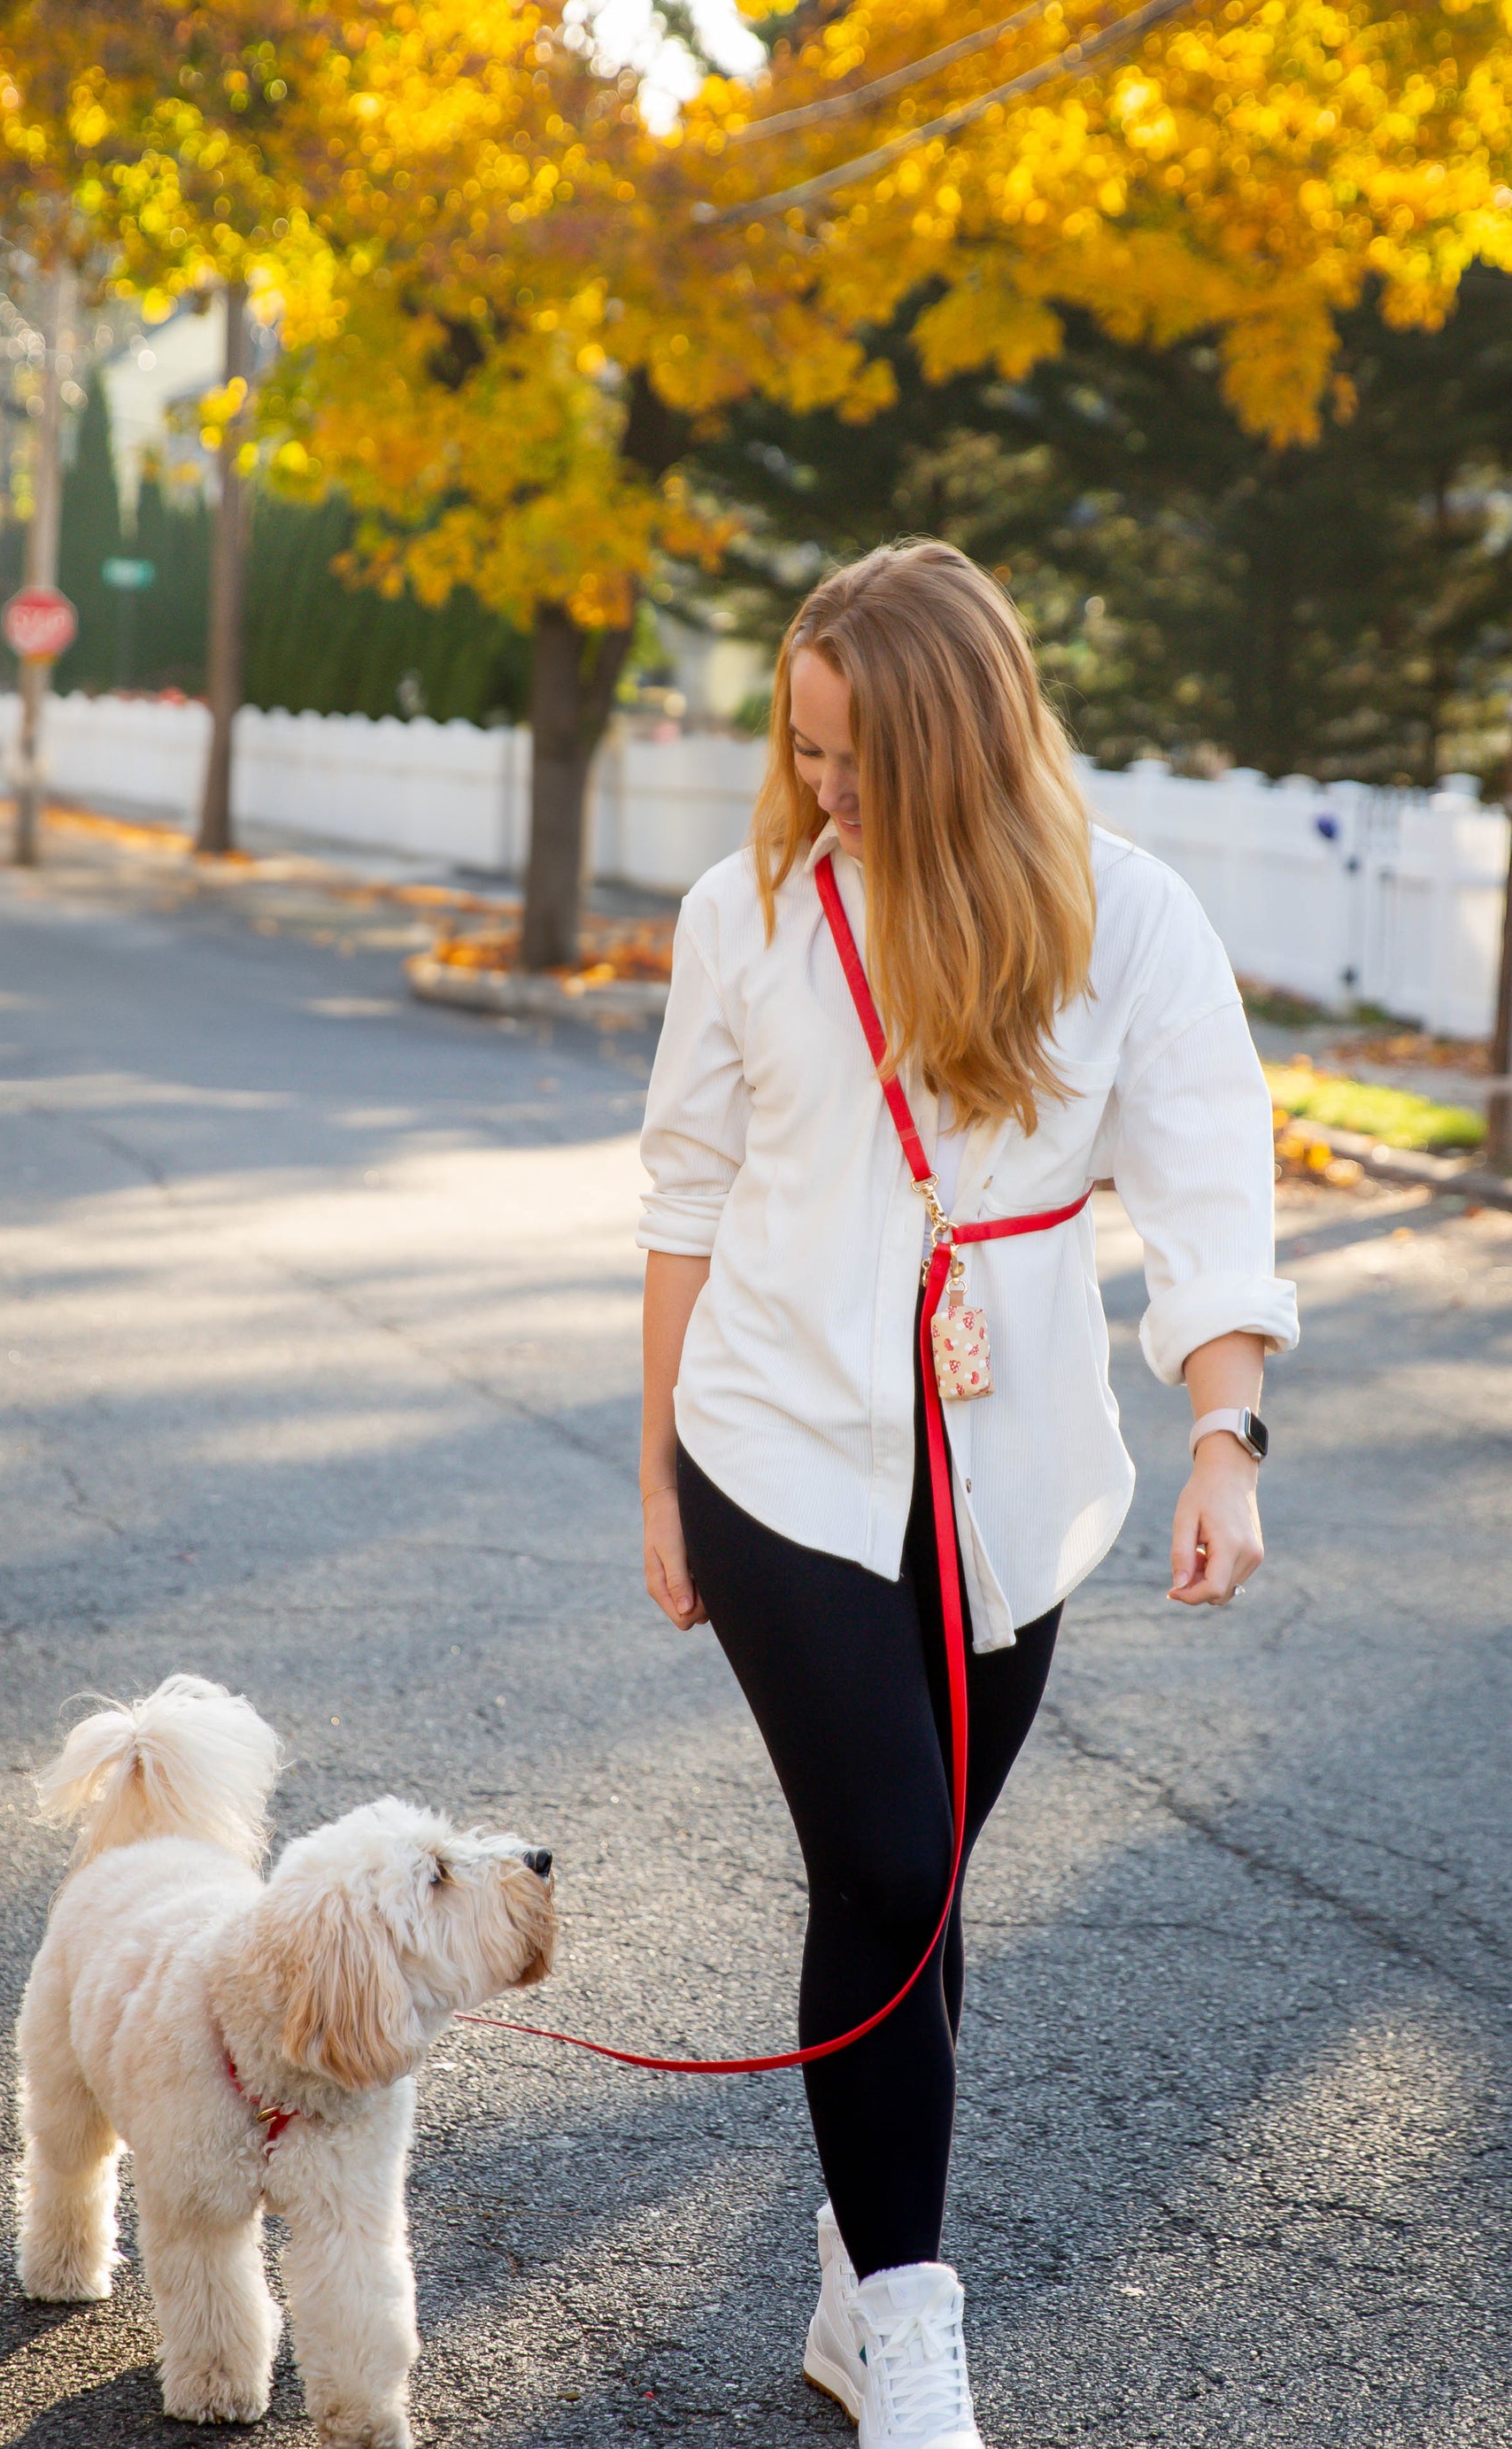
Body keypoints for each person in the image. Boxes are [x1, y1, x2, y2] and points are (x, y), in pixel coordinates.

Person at [636, 541, 1296, 2449]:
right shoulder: (746, 914)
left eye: (852, 756)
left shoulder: (1128, 919)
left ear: (950, 741)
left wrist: (1222, 1435)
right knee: (895, 1864)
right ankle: (915, 2330)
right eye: (802, 747)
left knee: (914, 1887)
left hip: (1007, 1468)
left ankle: (858, 2270)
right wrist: (659, 1484)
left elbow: (1204, 1189)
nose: (820, 789)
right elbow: (682, 1201)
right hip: (770, 1441)